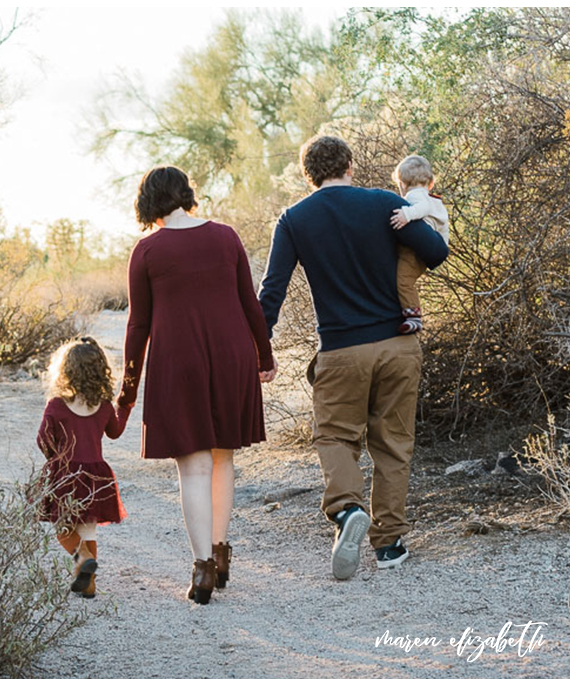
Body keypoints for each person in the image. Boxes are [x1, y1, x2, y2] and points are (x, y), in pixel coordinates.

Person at [257, 135, 449, 581]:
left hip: (341, 350)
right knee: (393, 443)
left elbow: (272, 291)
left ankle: (347, 512)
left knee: (334, 437)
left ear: (308, 174)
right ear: (350, 164)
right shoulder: (384, 203)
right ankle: (390, 545)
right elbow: (436, 253)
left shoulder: (294, 219)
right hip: (398, 345)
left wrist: (261, 348)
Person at [118, 166, 277, 605]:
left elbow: (138, 326)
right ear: (186, 194)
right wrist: (264, 356)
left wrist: (128, 388)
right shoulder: (226, 236)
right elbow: (250, 303)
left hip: (179, 362)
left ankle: (203, 567)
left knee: (193, 467)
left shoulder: (147, 250)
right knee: (223, 457)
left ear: (148, 202)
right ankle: (221, 555)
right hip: (232, 358)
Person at [37, 336, 130, 599]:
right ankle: (88, 582)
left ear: (65, 370)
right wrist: (124, 407)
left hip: (66, 474)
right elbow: (115, 431)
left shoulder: (56, 405)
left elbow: (43, 440)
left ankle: (82, 558)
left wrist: (55, 459)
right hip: (96, 476)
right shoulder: (102, 407)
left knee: (63, 529)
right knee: (88, 528)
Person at [389, 155, 450, 334]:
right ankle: (409, 312)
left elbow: (422, 208)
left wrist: (406, 215)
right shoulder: (432, 197)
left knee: (403, 281)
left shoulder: (416, 196)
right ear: (431, 183)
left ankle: (413, 316)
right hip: (432, 248)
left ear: (402, 184)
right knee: (405, 278)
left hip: (417, 252)